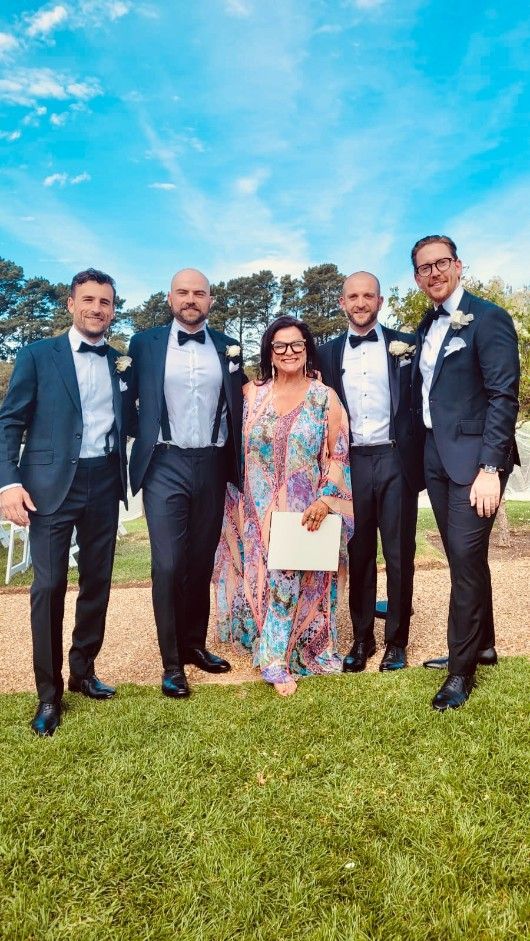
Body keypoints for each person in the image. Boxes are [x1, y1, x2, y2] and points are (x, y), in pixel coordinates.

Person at [0, 269, 129, 736]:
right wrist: (8, 484)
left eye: (107, 302)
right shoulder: (38, 355)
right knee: (49, 586)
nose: (98, 309)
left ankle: (83, 671)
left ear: (114, 309)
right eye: (89, 300)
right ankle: (48, 694)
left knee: (98, 582)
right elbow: (9, 422)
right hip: (50, 486)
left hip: (104, 482)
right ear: (71, 303)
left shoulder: (120, 361)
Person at [213, 316, 354, 697]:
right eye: (280, 346)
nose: (289, 352)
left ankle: (306, 648)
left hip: (307, 505)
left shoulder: (324, 397)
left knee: (305, 579)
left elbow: (339, 454)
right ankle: (274, 656)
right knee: (269, 579)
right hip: (257, 509)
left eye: (296, 345)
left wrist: (326, 500)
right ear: (269, 353)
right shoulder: (250, 395)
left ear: (307, 349)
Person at [411, 235, 520, 710]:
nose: (434, 273)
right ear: (417, 277)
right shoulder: (425, 325)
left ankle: (461, 671)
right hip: (435, 456)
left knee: (464, 555)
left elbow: (503, 396)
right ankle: (485, 644)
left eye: (441, 263)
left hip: (476, 463)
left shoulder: (488, 318)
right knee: (464, 559)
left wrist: (490, 467)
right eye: (424, 268)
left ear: (458, 266)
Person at [126, 268, 244, 698]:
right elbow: (124, 400)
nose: (191, 299)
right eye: (183, 292)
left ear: (210, 299)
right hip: (165, 463)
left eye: (199, 293)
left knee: (200, 561)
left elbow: (242, 399)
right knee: (169, 563)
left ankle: (195, 645)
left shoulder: (228, 346)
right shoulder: (144, 344)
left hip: (213, 463)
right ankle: (171, 662)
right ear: (170, 297)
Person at [319, 272, 424, 674]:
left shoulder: (406, 346)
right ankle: (362, 637)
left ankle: (397, 641)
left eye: (368, 296)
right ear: (342, 302)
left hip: (397, 459)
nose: (361, 303)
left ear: (379, 301)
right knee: (359, 552)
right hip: (351, 464)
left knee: (400, 554)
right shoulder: (326, 353)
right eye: (353, 296)